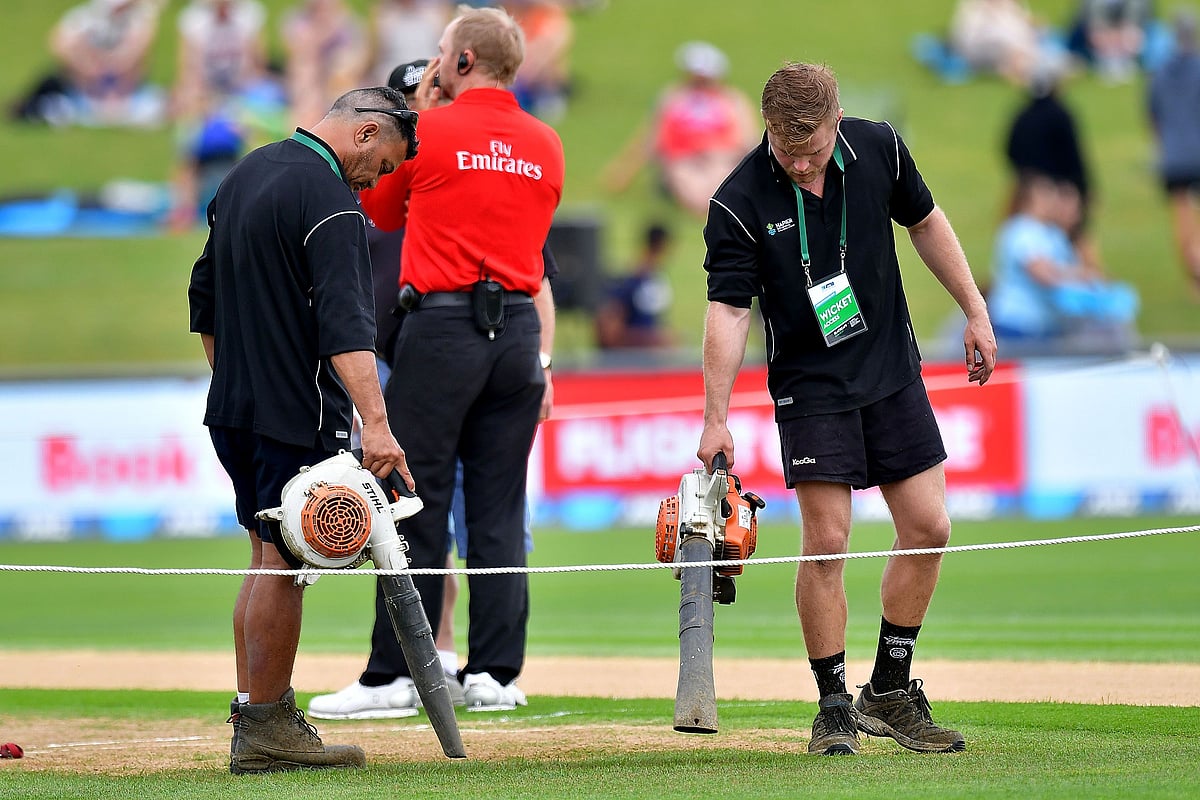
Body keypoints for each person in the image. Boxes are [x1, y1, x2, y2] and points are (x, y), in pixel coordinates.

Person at [697, 62, 996, 756]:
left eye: (814, 147)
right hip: (811, 386)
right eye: (785, 148)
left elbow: (926, 223)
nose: (800, 162)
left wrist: (974, 310)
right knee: (828, 541)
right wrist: (716, 416)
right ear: (766, 127)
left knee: (929, 526)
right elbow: (728, 310)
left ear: (838, 119)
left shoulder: (881, 148)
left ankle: (890, 689)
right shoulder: (737, 201)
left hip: (892, 369)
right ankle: (832, 705)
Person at [336, 5, 563, 714]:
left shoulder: (429, 128)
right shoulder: (546, 141)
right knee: (498, 506)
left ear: (460, 62)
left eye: (440, 54)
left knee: (412, 496)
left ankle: (395, 671)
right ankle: (495, 673)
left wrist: (424, 112)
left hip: (442, 326)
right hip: (519, 331)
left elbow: (382, 208)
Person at [187, 85, 419, 773]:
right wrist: (376, 427)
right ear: (367, 131)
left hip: (232, 404)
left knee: (263, 559)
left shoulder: (245, 173)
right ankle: (266, 730)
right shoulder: (329, 201)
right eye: (383, 166)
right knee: (285, 567)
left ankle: (257, 708)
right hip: (296, 412)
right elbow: (347, 328)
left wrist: (233, 379)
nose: (377, 181)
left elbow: (203, 296)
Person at [602, 41, 759, 218]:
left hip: (720, 157)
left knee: (718, 183)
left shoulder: (732, 100)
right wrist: (624, 172)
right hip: (681, 158)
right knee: (696, 195)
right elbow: (651, 139)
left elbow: (748, 139)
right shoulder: (674, 97)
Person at [988, 173, 1139, 352]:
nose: (1053, 200)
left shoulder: (1051, 232)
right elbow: (1041, 273)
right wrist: (1080, 276)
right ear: (1031, 199)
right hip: (1021, 325)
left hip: (1047, 327)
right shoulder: (1022, 230)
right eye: (1047, 194)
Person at [41, 0, 166, 127]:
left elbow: (134, 55)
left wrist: (112, 64)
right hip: (86, 93)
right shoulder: (86, 18)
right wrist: (89, 67)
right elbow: (58, 43)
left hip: (128, 94)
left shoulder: (138, 21)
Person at [1147, 9, 1200, 295]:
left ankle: (1194, 277)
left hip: (1174, 156)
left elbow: (1153, 117)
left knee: (1182, 214)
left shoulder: (1161, 73)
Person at [281, 0, 370, 128]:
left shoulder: (348, 24)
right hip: (309, 80)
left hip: (337, 79)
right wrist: (324, 32)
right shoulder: (298, 22)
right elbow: (300, 52)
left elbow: (358, 59)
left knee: (340, 65)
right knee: (305, 68)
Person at [594, 222, 674, 349]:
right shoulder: (628, 283)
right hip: (628, 363)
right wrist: (653, 339)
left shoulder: (653, 278)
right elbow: (608, 334)